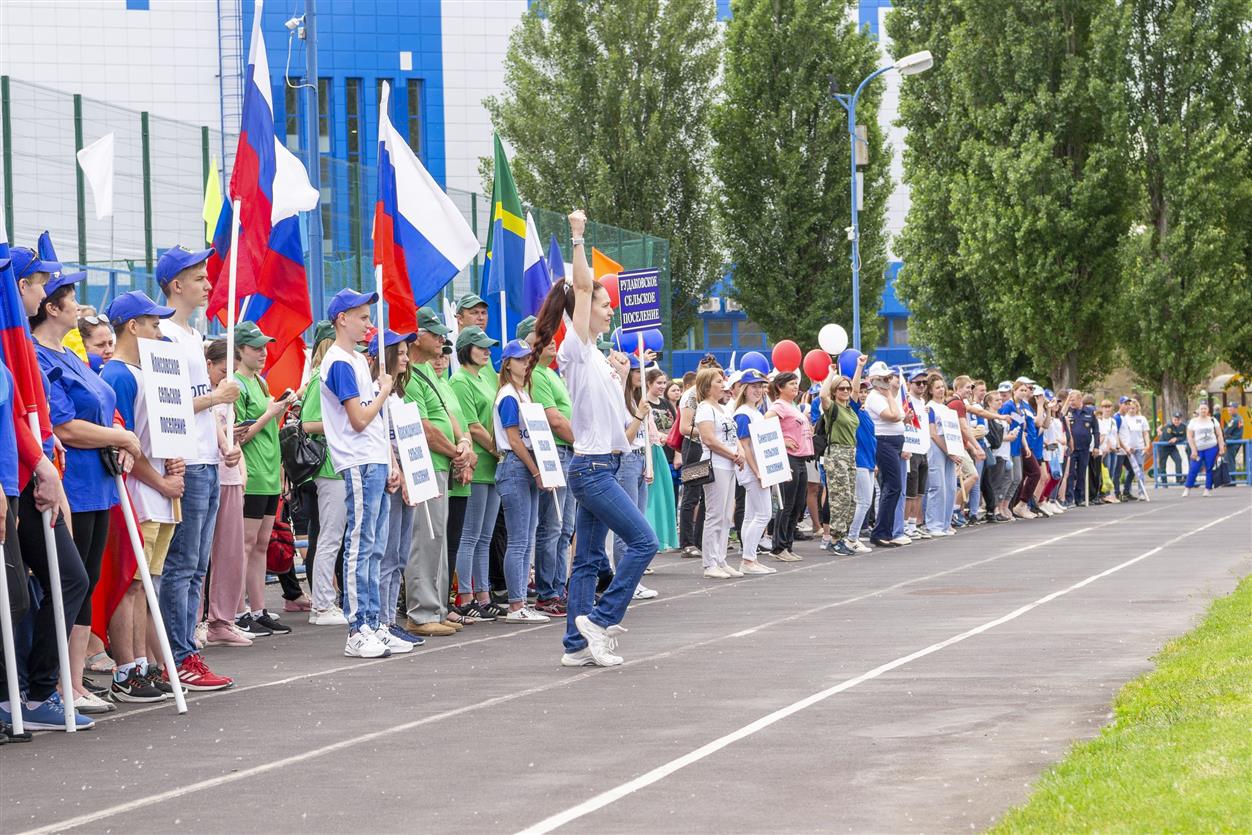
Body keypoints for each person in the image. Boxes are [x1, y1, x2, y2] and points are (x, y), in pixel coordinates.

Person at [530, 209, 658, 668]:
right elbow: (582, 287)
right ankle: (601, 621)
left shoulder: (602, 360)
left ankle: (575, 646)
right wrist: (578, 237)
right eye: (606, 305)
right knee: (645, 543)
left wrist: (633, 400)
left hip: (603, 463)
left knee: (584, 561)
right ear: (583, 314)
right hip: (592, 470)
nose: (610, 309)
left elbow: (617, 431)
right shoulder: (576, 350)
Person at [102, 291, 228, 693]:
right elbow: (123, 443)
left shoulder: (148, 373)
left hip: (162, 492)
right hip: (140, 493)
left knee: (148, 583)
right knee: (133, 581)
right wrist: (159, 479)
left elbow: (159, 433)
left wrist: (173, 462)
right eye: (154, 324)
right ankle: (129, 667)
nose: (160, 331)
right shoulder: (118, 374)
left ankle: (145, 662)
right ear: (132, 326)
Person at [29, 269, 130, 714]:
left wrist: (121, 438)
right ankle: (54, 683)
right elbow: (65, 427)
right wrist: (120, 440)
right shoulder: (38, 357)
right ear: (52, 308)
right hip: (72, 483)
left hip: (101, 481)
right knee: (72, 580)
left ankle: (74, 680)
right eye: (71, 297)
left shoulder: (69, 356)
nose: (78, 303)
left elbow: (105, 408)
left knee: (85, 581)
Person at [4, 248, 93, 730]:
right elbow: (16, 413)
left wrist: (46, 459)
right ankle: (24, 692)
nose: (49, 291)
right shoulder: (15, 342)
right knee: (22, 593)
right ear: (19, 288)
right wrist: (40, 463)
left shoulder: (26, 345)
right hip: (18, 479)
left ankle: (38, 690)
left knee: (70, 579)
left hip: (34, 476)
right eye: (40, 283)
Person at [155, 247, 246, 679]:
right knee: (183, 564)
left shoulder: (192, 335)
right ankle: (179, 654)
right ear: (176, 285)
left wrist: (222, 440)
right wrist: (216, 398)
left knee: (197, 566)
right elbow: (168, 403)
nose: (209, 284)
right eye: (198, 277)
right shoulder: (165, 336)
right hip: (186, 463)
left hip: (208, 459)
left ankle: (187, 646)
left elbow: (203, 408)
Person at [319, 290, 411, 658]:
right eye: (362, 317)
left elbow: (372, 421)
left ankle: (374, 623)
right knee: (360, 543)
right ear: (342, 318)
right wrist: (384, 392)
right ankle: (358, 627)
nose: (369, 323)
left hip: (373, 459)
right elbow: (358, 419)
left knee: (374, 545)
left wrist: (389, 461)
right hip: (357, 460)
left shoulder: (356, 360)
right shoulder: (339, 361)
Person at [403, 306, 474, 637]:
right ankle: (420, 612)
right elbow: (424, 427)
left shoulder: (427, 373)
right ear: (417, 336)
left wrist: (462, 445)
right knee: (425, 538)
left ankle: (437, 606)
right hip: (426, 465)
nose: (442, 340)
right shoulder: (411, 375)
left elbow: (448, 415)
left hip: (442, 464)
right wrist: (455, 452)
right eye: (435, 334)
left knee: (439, 540)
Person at [231, 321, 295, 638]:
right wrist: (272, 411)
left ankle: (258, 609)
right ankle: (238, 610)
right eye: (256, 347)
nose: (262, 352)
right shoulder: (237, 385)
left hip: (269, 473)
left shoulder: (259, 382)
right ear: (240, 350)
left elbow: (267, 429)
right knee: (245, 545)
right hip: (252, 474)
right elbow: (240, 436)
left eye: (264, 346)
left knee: (260, 545)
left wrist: (277, 408)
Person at [369, 328, 425, 648]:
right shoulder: (379, 393)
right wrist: (399, 472)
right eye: (401, 353)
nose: (406, 358)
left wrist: (414, 475)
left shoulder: (399, 395)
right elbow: (379, 437)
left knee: (400, 556)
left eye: (406, 352)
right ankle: (381, 621)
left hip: (408, 482)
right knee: (387, 555)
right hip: (390, 482)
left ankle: (389, 619)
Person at [491, 339, 552, 622]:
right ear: (507, 363)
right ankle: (516, 604)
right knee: (518, 539)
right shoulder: (508, 395)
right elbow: (513, 439)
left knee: (527, 536)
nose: (526, 363)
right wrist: (537, 470)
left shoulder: (522, 393)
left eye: (528, 358)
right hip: (516, 465)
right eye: (519, 359)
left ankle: (519, 600)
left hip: (525, 464)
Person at [448, 325, 505, 622]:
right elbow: (472, 425)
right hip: (478, 464)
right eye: (481, 346)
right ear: (466, 349)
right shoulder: (460, 381)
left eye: (488, 347)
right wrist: (499, 450)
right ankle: (466, 595)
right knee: (470, 536)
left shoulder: (486, 376)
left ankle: (483, 594)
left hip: (493, 463)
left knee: (484, 536)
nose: (487, 351)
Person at [520, 315, 575, 616]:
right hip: (557, 451)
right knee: (552, 525)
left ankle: (558, 586)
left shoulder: (552, 374)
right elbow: (553, 418)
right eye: (545, 338)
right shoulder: (537, 375)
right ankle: (547, 592)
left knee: (565, 526)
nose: (553, 342)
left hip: (567, 450)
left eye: (553, 337)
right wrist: (579, 441)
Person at [299, 322, 349, 626]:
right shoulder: (321, 378)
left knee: (333, 536)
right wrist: (341, 424)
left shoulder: (323, 376)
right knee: (330, 537)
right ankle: (321, 603)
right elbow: (308, 423)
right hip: (329, 467)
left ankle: (324, 600)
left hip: (337, 465)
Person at [203, 339, 252, 647]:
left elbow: (229, 436)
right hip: (207, 472)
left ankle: (223, 619)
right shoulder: (202, 392)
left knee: (230, 552)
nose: (226, 376)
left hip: (230, 474)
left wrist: (241, 468)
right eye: (222, 370)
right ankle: (197, 620)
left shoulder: (227, 394)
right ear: (208, 364)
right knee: (198, 556)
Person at [693, 368, 744, 578]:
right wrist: (733, 453)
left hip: (729, 463)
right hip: (716, 464)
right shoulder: (705, 408)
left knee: (724, 515)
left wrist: (739, 451)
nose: (723, 384)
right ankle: (709, 562)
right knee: (714, 514)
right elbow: (709, 439)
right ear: (707, 386)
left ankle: (720, 558)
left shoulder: (723, 409)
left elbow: (733, 435)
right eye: (718, 381)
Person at [615, 354, 660, 597]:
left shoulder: (636, 400)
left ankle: (633, 579)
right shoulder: (621, 401)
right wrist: (640, 415)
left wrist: (649, 463)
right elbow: (625, 437)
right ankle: (625, 582)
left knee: (639, 521)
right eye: (636, 371)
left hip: (641, 458)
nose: (640, 376)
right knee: (628, 524)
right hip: (626, 459)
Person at [818, 356, 866, 555]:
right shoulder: (833, 408)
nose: (846, 391)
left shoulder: (850, 408)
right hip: (836, 452)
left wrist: (859, 366)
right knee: (840, 497)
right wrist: (830, 373)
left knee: (851, 499)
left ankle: (842, 536)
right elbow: (822, 396)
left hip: (850, 453)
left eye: (847, 389)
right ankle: (835, 538)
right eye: (841, 389)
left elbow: (855, 389)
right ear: (835, 391)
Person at [764, 371, 812, 560]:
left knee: (798, 504)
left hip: (801, 458)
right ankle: (779, 547)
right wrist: (781, 440)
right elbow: (766, 421)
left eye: (796, 383)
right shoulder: (779, 406)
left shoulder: (793, 406)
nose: (795, 386)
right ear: (780, 387)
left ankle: (788, 545)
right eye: (791, 384)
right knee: (787, 503)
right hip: (789, 458)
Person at [864, 362, 908, 547]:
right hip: (884, 441)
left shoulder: (886, 396)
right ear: (874, 380)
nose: (887, 382)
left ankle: (886, 531)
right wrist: (889, 394)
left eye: (889, 378)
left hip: (894, 441)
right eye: (883, 378)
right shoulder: (875, 397)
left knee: (893, 487)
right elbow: (893, 416)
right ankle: (880, 531)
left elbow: (900, 414)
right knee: (892, 486)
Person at [643, 367, 678, 552]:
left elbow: (676, 427)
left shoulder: (666, 403)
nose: (662, 386)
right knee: (650, 498)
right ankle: (650, 537)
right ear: (649, 383)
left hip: (668, 453)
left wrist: (677, 450)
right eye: (659, 383)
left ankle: (662, 537)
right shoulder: (644, 403)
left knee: (666, 497)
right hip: (652, 452)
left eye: (664, 383)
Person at [923, 375, 958, 537]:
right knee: (938, 486)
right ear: (930, 390)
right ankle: (933, 524)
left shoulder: (946, 409)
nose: (941, 390)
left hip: (949, 446)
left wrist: (955, 451)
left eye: (942, 386)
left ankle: (945, 522)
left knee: (950, 487)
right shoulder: (929, 408)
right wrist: (948, 450)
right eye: (937, 387)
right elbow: (933, 433)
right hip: (937, 447)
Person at [903, 370, 930, 538]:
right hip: (911, 449)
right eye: (917, 383)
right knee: (910, 491)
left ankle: (913, 523)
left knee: (920, 491)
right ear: (909, 384)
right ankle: (905, 524)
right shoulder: (906, 401)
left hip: (923, 449)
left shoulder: (922, 402)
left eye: (923, 383)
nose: (921, 386)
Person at [1183, 403, 1224, 496]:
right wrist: (1193, 449)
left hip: (1211, 448)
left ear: (1208, 410)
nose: (1203, 410)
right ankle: (1187, 488)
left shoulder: (1213, 420)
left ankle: (1207, 489)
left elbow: (1219, 434)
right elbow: (1189, 436)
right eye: (1201, 409)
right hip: (1198, 449)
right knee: (1194, 468)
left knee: (1209, 468)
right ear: (1198, 410)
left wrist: (1221, 447)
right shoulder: (1193, 421)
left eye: (1205, 408)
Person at [1066, 390, 1099, 504]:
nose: (1071, 402)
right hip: (1071, 448)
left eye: (1073, 400)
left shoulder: (1089, 412)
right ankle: (1069, 498)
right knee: (1070, 474)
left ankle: (1079, 498)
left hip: (1084, 448)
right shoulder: (1068, 411)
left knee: (1081, 474)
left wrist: (1096, 446)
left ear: (1080, 399)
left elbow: (1096, 430)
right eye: (1069, 400)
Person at [1117, 398, 1150, 500]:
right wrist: (1126, 447)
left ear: (1137, 408)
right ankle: (1128, 491)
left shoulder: (1142, 419)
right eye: (1130, 408)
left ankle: (1142, 492)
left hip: (1139, 447)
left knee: (1139, 469)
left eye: (1133, 408)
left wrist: (1147, 445)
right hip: (1128, 448)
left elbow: (1145, 433)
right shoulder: (1124, 418)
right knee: (1129, 470)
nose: (1131, 410)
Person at [1156, 412, 1188, 485]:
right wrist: (1176, 439)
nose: (1176, 421)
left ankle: (1179, 479)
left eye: (1178, 420)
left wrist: (1176, 438)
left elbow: (1184, 437)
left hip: (1172, 447)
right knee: (1163, 464)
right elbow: (1168, 438)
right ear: (1172, 419)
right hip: (1163, 447)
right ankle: (1164, 482)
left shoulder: (1183, 426)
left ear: (1181, 420)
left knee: (1178, 460)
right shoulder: (1169, 426)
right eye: (1175, 419)